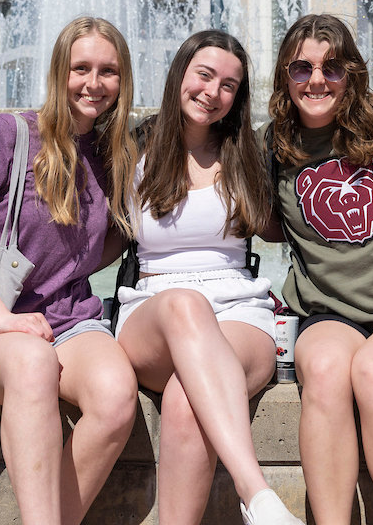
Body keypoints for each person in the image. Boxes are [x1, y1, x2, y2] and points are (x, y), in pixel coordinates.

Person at [0, 17, 140, 525]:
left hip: (72, 319)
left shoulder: (113, 154)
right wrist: (4, 320)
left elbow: (99, 246)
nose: (94, 83)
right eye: (81, 68)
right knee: (32, 363)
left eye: (108, 71)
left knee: (116, 396)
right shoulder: (9, 134)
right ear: (58, 72)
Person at [114, 31, 301, 525]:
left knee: (184, 399)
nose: (213, 91)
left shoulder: (246, 153)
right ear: (180, 74)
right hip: (153, 310)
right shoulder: (133, 146)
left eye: (229, 85)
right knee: (184, 304)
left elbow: (298, 224)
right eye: (204, 75)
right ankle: (256, 493)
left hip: (241, 312)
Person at [266, 13, 373, 525]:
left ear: (353, 74)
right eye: (302, 68)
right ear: (285, 75)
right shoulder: (271, 144)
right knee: (323, 370)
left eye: (333, 67)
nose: (317, 80)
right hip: (328, 315)